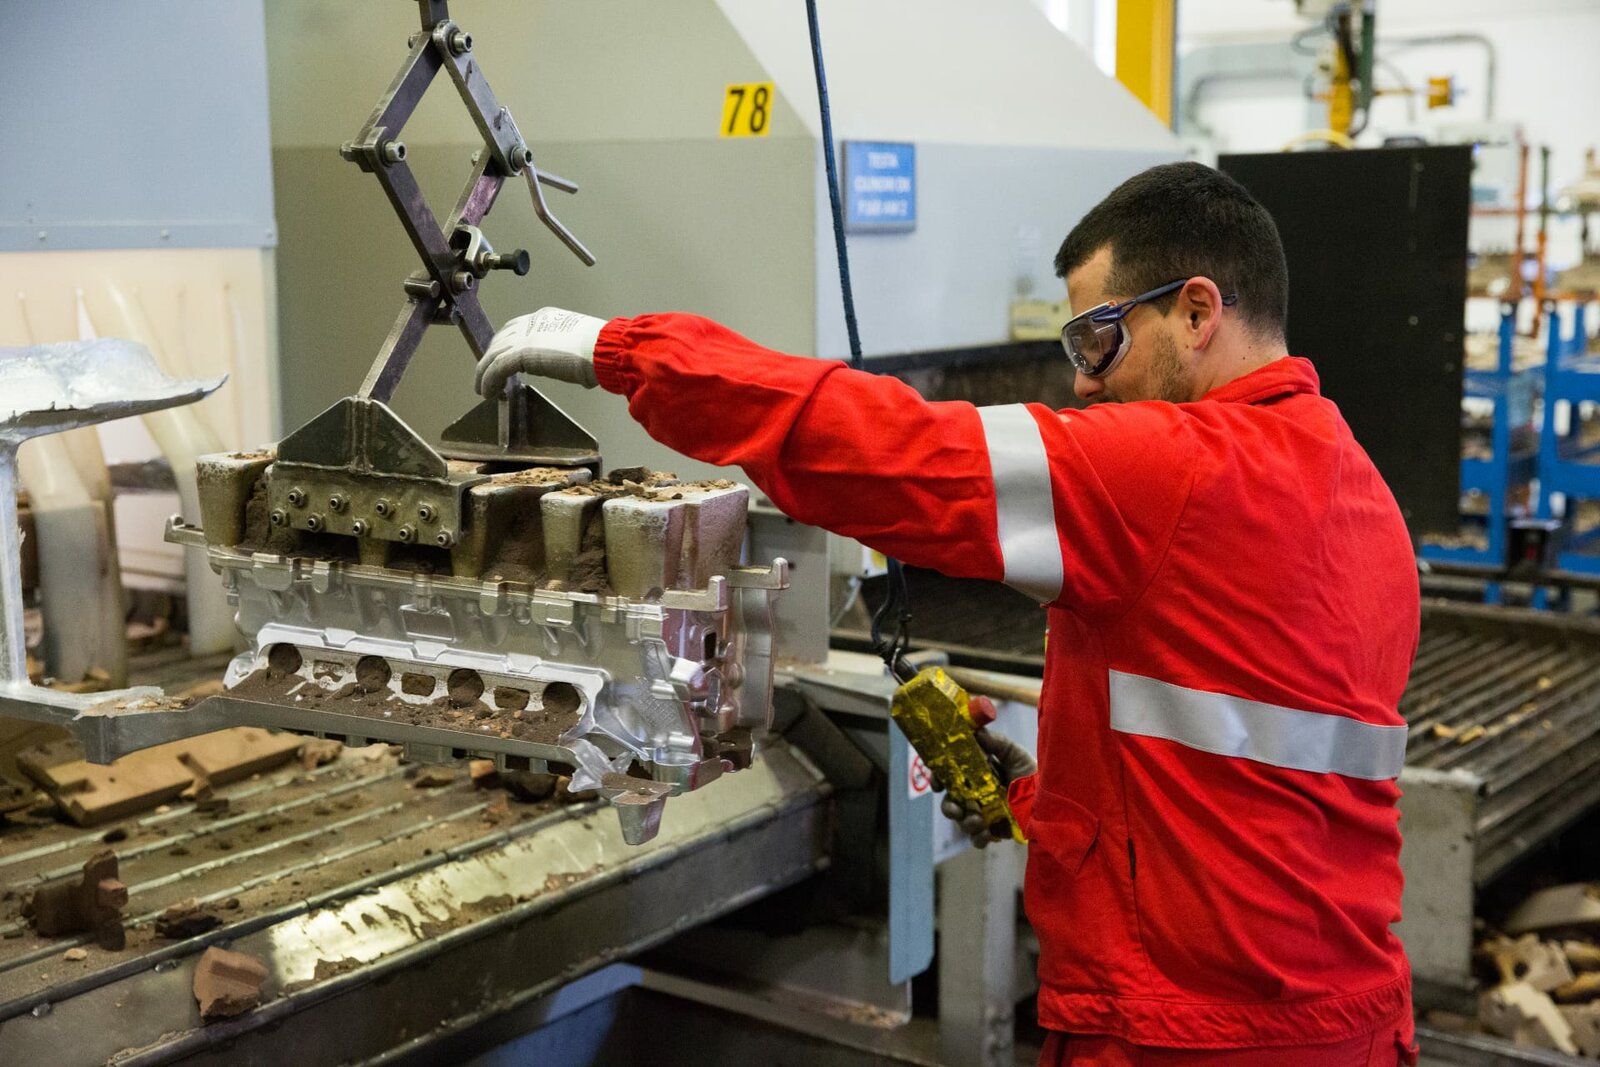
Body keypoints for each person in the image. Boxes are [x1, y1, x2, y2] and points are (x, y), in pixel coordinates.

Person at [474, 161, 1420, 1067]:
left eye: (1098, 340)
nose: (1085, 381)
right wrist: (1047, 801)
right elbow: (1254, 776)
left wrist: (630, 353)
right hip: (1347, 1017)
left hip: (1190, 1037)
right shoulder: (1361, 491)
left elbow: (890, 452)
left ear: (1197, 311)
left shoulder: (1179, 468)